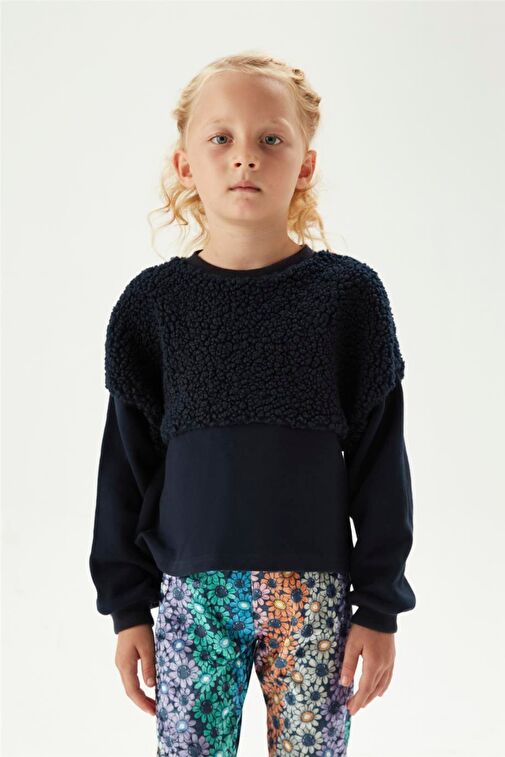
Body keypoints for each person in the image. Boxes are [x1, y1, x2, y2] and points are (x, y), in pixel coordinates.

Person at [89, 51, 416, 757]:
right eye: (221, 138)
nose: (245, 156)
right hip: (191, 598)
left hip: (313, 597)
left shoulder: (348, 297)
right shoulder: (152, 306)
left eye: (270, 138)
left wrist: (380, 605)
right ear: (185, 164)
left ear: (305, 164)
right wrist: (127, 608)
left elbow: (380, 461)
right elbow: (125, 467)